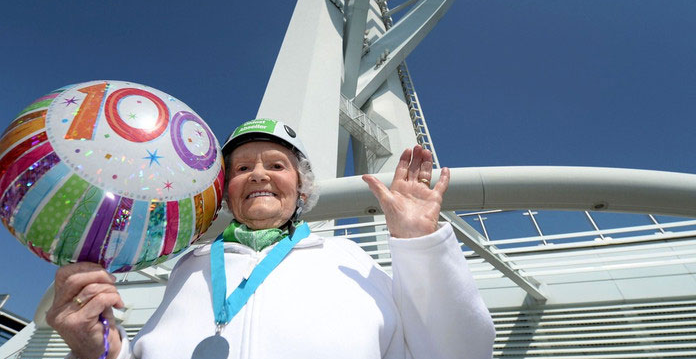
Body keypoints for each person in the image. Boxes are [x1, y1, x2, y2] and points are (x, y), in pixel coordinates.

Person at [47, 119, 495, 359]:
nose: (257, 173)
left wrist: (421, 244)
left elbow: (460, 351)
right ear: (227, 191)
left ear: (302, 188)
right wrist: (98, 350)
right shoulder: (189, 267)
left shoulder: (348, 258)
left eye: (276, 165)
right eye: (242, 168)